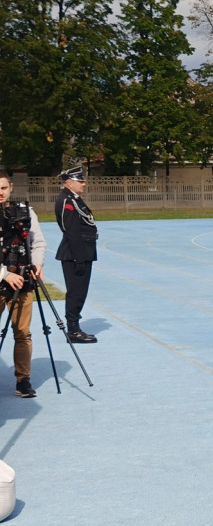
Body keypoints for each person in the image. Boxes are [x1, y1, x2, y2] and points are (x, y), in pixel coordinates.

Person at [0, 171, 47, 397]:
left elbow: (38, 243)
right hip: (3, 279)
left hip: (22, 283)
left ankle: (23, 380)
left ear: (10, 188)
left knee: (22, 333)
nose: (0, 193)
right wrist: (4, 274)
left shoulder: (25, 212)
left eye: (3, 188)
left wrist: (37, 265)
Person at [54, 165, 98, 344]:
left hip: (84, 251)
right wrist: (79, 257)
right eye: (80, 181)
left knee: (81, 291)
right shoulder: (66, 200)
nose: (84, 183)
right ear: (69, 183)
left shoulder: (74, 199)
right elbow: (70, 231)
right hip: (74, 253)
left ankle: (75, 327)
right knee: (76, 292)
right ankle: (73, 330)